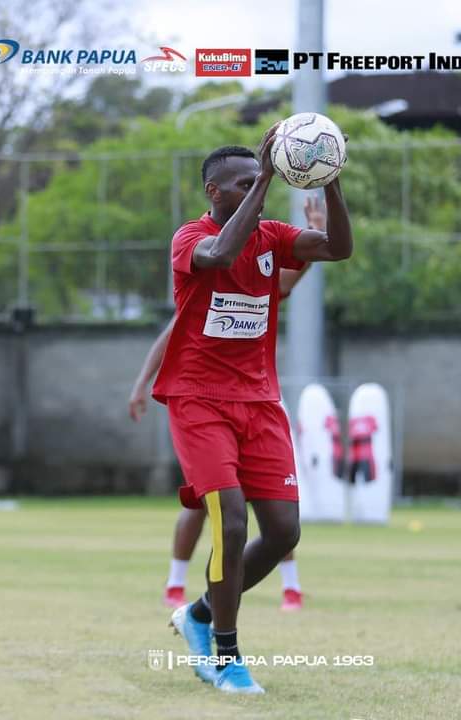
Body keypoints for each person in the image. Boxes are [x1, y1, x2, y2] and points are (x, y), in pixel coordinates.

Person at [148, 126, 352, 694]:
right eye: (242, 182)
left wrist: (330, 185)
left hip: (260, 403)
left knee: (284, 532)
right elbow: (220, 253)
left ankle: (199, 614)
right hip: (198, 402)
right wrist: (266, 175)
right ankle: (228, 656)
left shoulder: (273, 237)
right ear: (215, 191)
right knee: (231, 522)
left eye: (258, 177)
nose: (256, 188)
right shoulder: (191, 237)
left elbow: (337, 248)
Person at [129, 198, 329, 614]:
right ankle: (178, 585)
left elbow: (287, 284)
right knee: (216, 509)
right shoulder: (199, 265)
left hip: (257, 401)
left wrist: (312, 240)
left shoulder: (264, 257)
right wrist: (141, 384)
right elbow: (167, 338)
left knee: (275, 517)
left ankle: (288, 587)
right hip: (202, 405)